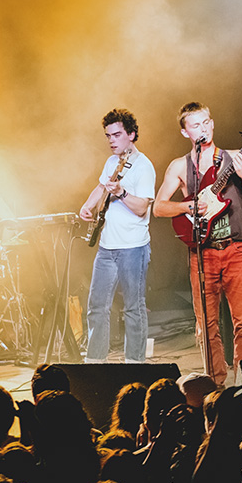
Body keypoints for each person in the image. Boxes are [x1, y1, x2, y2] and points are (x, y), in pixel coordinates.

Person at [154, 102, 242, 387]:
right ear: (184, 131)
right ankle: (216, 387)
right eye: (195, 125)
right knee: (207, 325)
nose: (202, 129)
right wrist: (189, 205)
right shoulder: (180, 166)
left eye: (205, 123)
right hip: (202, 252)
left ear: (212, 124)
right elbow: (159, 208)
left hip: (236, 249)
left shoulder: (233, 158)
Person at [78, 109, 156, 364]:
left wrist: (121, 192)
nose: (112, 140)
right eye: (108, 136)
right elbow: (101, 186)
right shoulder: (112, 162)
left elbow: (142, 207)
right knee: (97, 307)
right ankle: (94, 362)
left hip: (133, 248)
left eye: (117, 134)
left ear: (132, 134)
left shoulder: (144, 166)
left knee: (133, 307)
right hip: (107, 247)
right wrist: (87, 206)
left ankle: (135, 364)